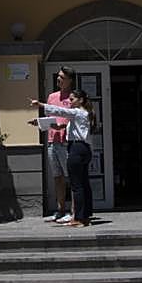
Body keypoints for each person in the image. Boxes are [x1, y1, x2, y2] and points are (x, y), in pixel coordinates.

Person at [30, 89, 94, 228]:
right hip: (84, 149)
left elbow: (59, 111)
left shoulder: (77, 112)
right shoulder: (84, 114)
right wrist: (43, 124)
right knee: (83, 183)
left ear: (80, 100)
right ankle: (85, 215)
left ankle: (78, 218)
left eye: (72, 100)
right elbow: (62, 125)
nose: (69, 102)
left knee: (76, 185)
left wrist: (40, 104)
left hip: (76, 149)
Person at [41, 67, 74, 223]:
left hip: (66, 142)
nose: (58, 79)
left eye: (62, 77)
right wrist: (40, 123)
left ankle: (74, 211)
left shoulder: (74, 98)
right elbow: (48, 116)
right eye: (58, 76)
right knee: (57, 177)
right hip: (51, 141)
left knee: (71, 177)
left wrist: (62, 126)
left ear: (69, 80)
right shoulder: (52, 97)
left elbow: (75, 118)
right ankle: (60, 209)